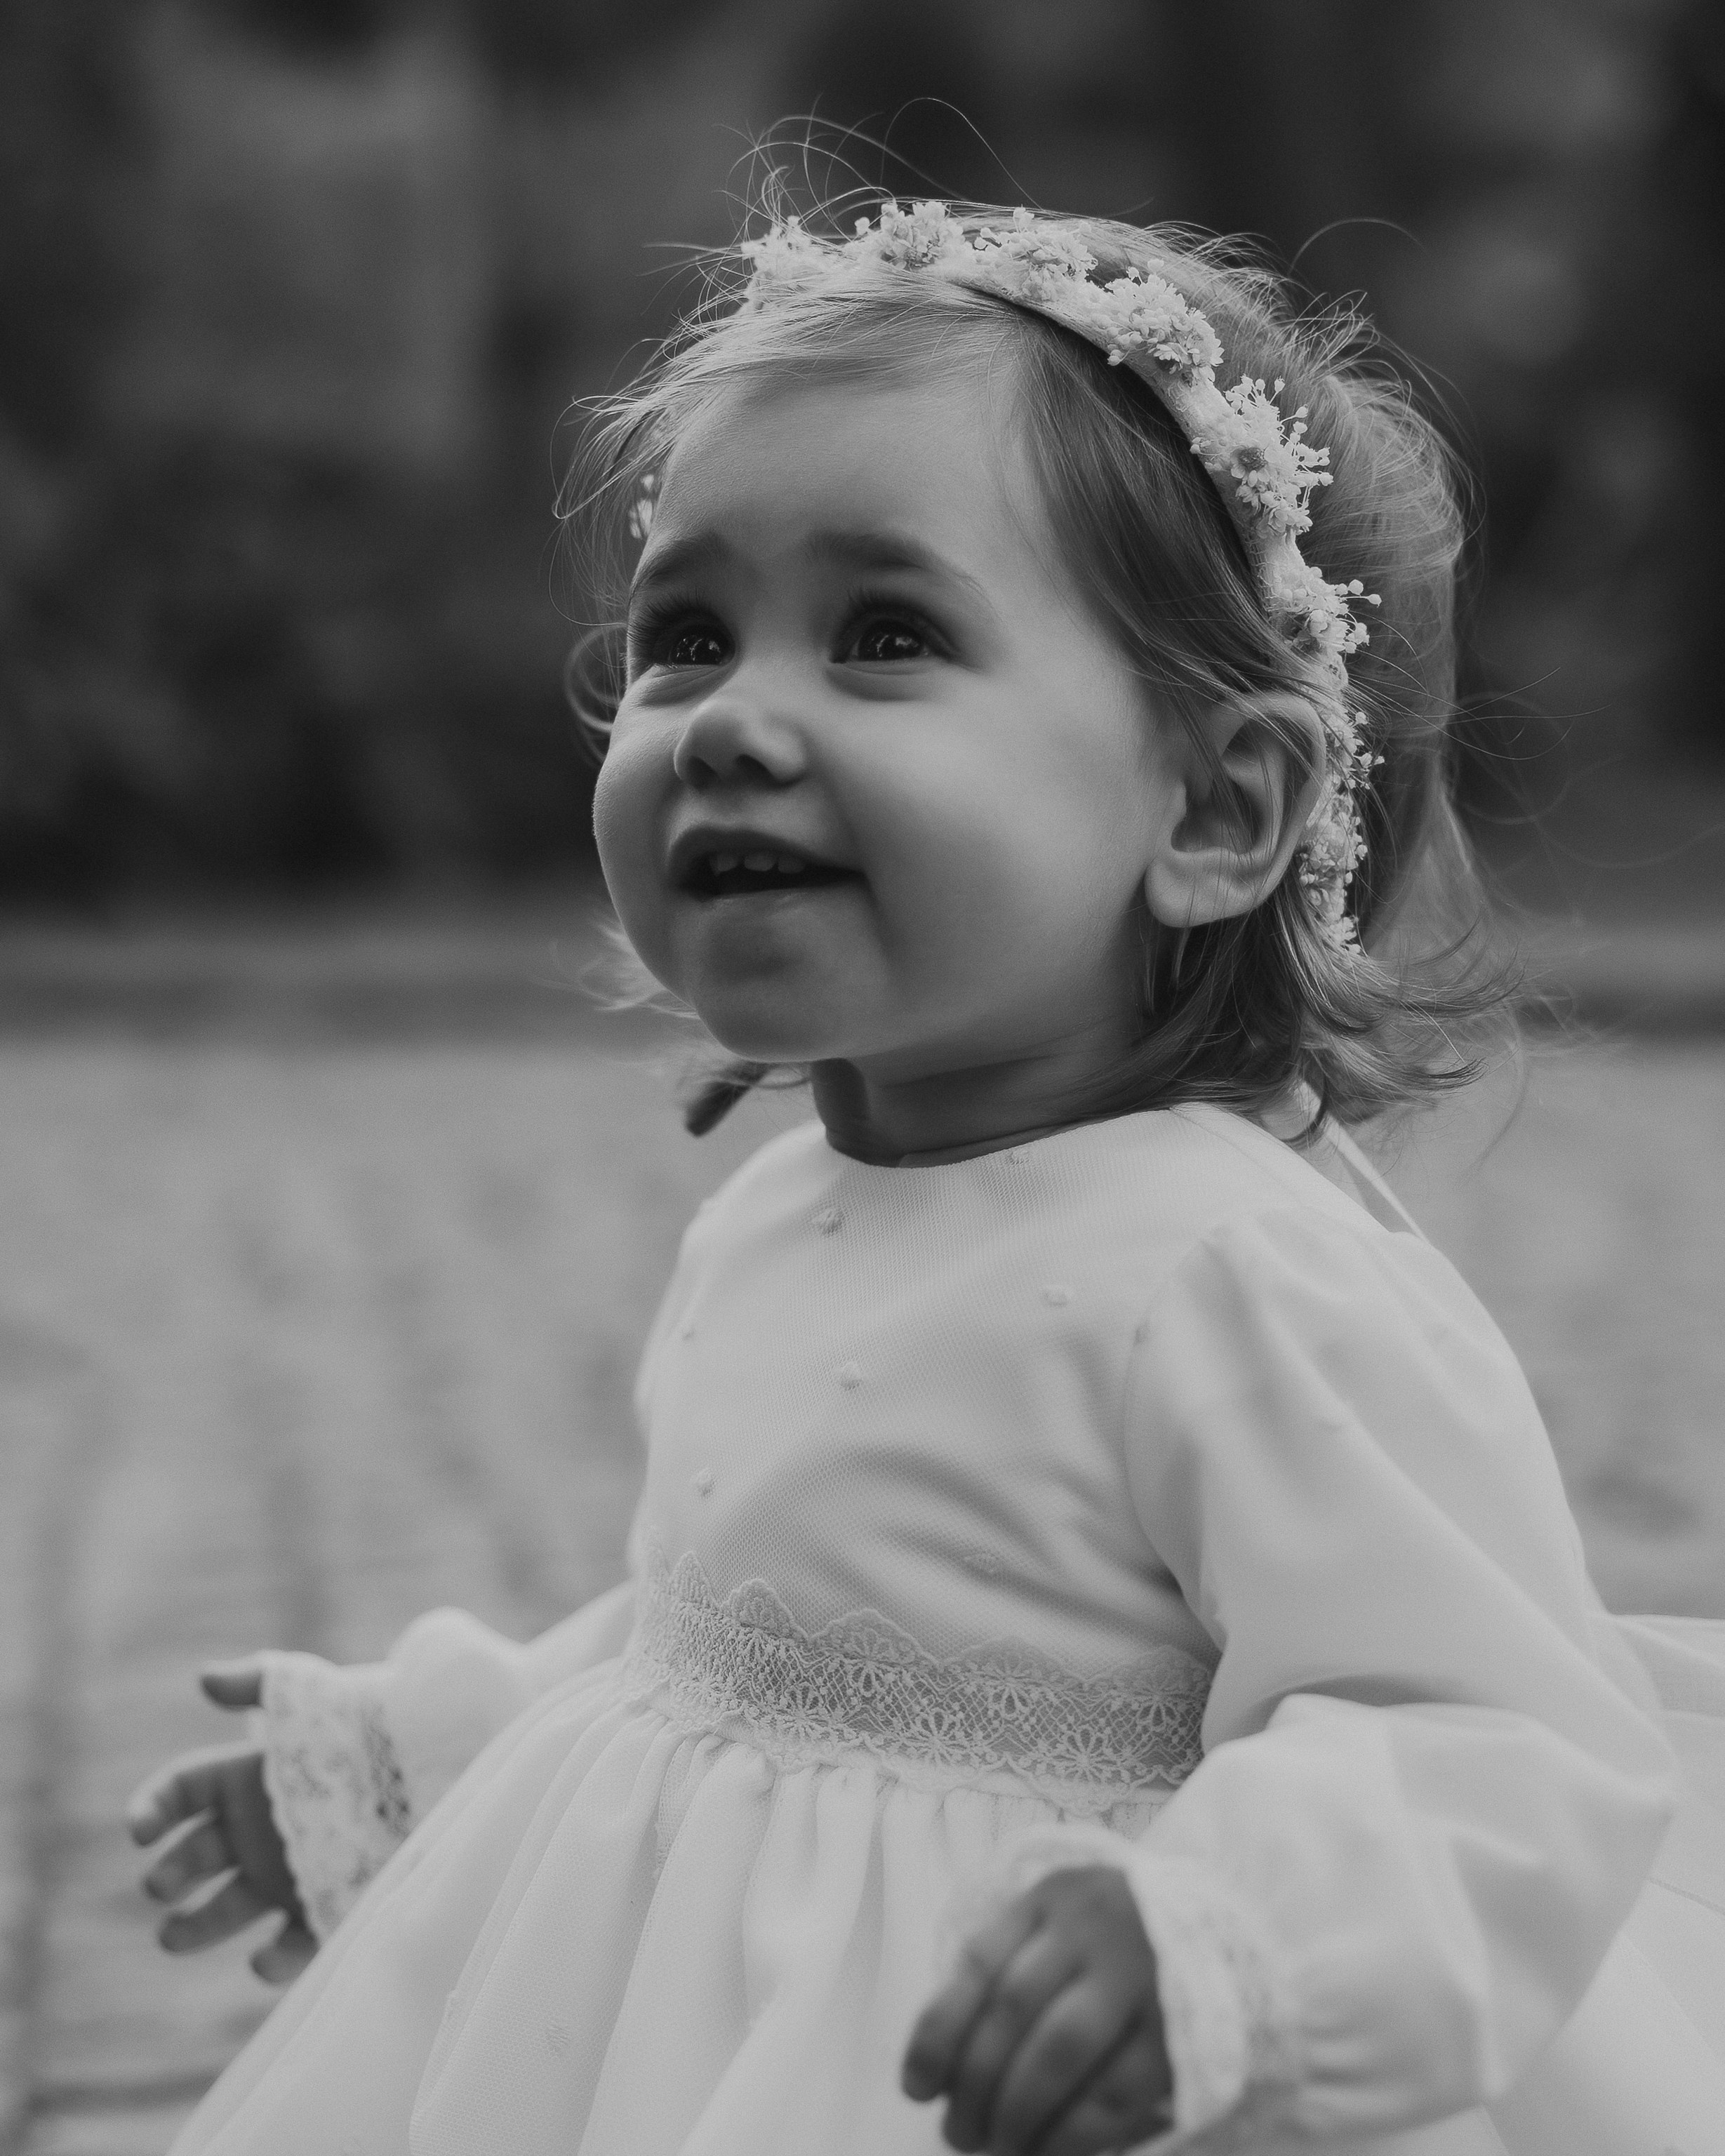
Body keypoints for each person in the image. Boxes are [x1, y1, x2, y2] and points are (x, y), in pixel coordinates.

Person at [128, 192, 1725, 2155]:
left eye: (884, 635)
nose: (733, 723)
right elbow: (727, 1631)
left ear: (1215, 808)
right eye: (684, 639)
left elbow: (1487, 1730)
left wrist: (1216, 1938)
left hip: (1006, 2073)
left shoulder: (1228, 1270)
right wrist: (418, 1754)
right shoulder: (782, 1203)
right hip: (676, 2030)